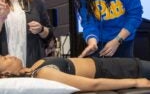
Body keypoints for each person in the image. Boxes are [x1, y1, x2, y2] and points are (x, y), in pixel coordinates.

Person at [0, 0, 54, 67]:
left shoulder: (36, 1)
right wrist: (1, 18)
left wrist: (41, 29)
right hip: (6, 68)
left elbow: (50, 34)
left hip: (33, 64)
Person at [0, 55, 150, 92]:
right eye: (5, 58)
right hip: (119, 71)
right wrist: (136, 82)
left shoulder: (34, 69)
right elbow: (93, 84)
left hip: (112, 64)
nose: (9, 55)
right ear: (6, 74)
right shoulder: (42, 74)